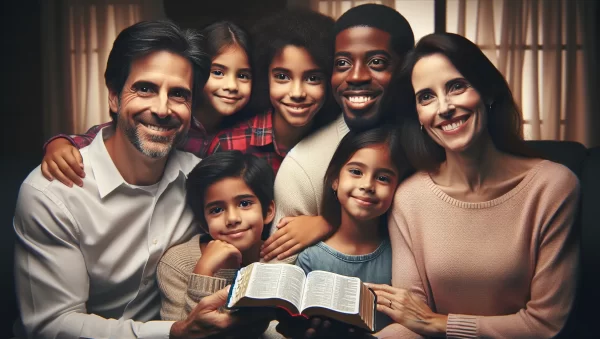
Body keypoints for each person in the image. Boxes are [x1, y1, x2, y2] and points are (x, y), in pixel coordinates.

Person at [13, 20, 267, 339]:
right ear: (115, 98)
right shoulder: (52, 193)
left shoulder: (200, 180)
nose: (162, 109)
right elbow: (51, 324)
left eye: (178, 94)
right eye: (145, 88)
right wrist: (173, 332)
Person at [368, 33, 580, 338]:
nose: (444, 108)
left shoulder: (553, 187)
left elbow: (545, 324)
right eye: (426, 96)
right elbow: (412, 317)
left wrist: (439, 323)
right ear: (418, 117)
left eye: (456, 86)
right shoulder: (409, 197)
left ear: (487, 92)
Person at [261, 3, 415, 262]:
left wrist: (329, 221)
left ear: (405, 68)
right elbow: (277, 276)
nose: (355, 76)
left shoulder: (434, 146)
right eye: (342, 63)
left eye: (376, 62)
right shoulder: (304, 167)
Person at [41, 20, 254, 187]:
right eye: (217, 72)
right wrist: (60, 144)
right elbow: (109, 133)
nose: (231, 85)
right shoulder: (179, 122)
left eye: (244, 75)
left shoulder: (248, 131)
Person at [296, 127, 411, 332]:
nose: (367, 185)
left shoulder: (401, 254)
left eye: (383, 178)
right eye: (356, 172)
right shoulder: (311, 260)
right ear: (335, 180)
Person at [156, 151, 281, 338]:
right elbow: (183, 333)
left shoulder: (279, 255)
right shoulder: (177, 263)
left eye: (245, 203)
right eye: (217, 210)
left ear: (268, 211)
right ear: (203, 223)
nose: (232, 218)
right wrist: (203, 272)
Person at [208, 9, 339, 174]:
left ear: (328, 81)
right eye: (282, 77)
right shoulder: (229, 144)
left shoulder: (337, 143)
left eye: (312, 79)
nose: (297, 93)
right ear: (265, 77)